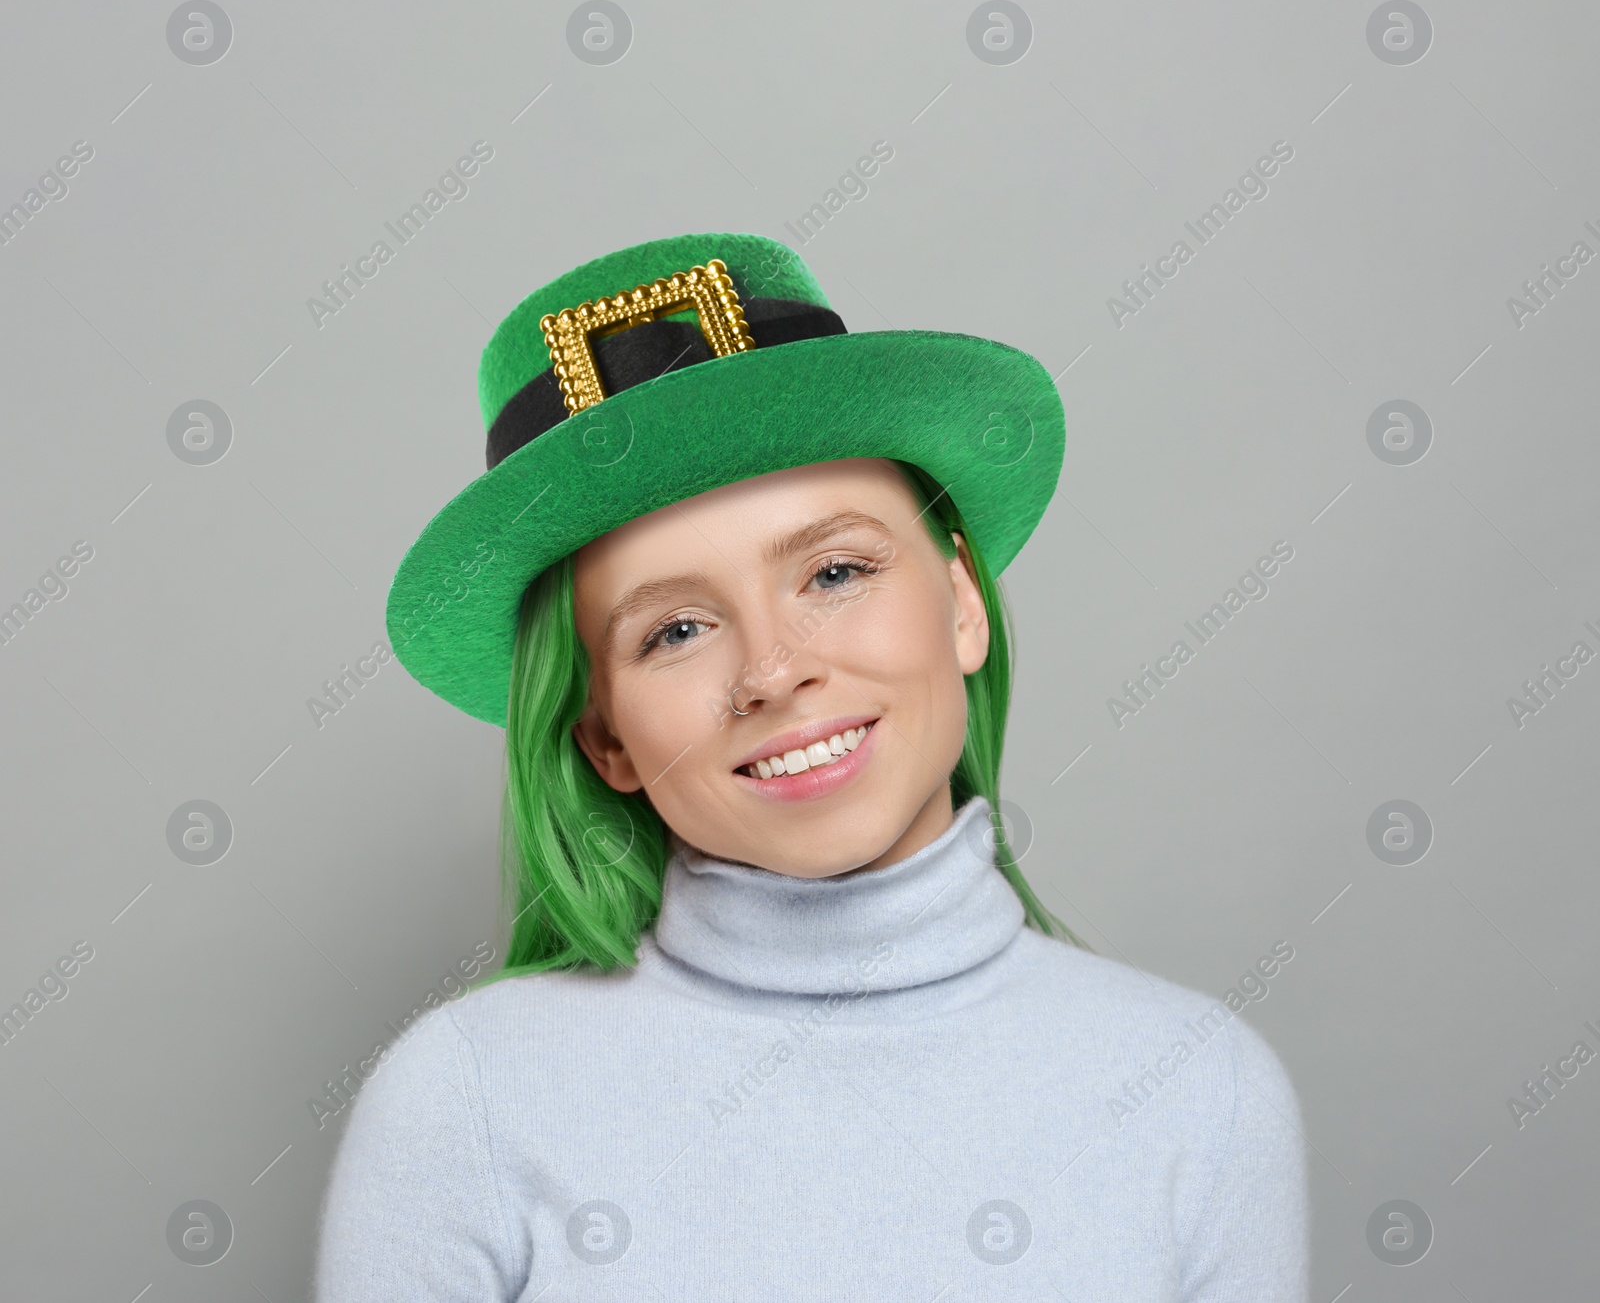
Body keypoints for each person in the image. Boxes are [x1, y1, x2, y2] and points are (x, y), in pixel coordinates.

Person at [313, 232, 1308, 1300]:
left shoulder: (1201, 1088)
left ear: (961, 599)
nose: (774, 671)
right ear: (603, 738)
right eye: (675, 632)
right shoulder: (464, 1105)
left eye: (835, 570)